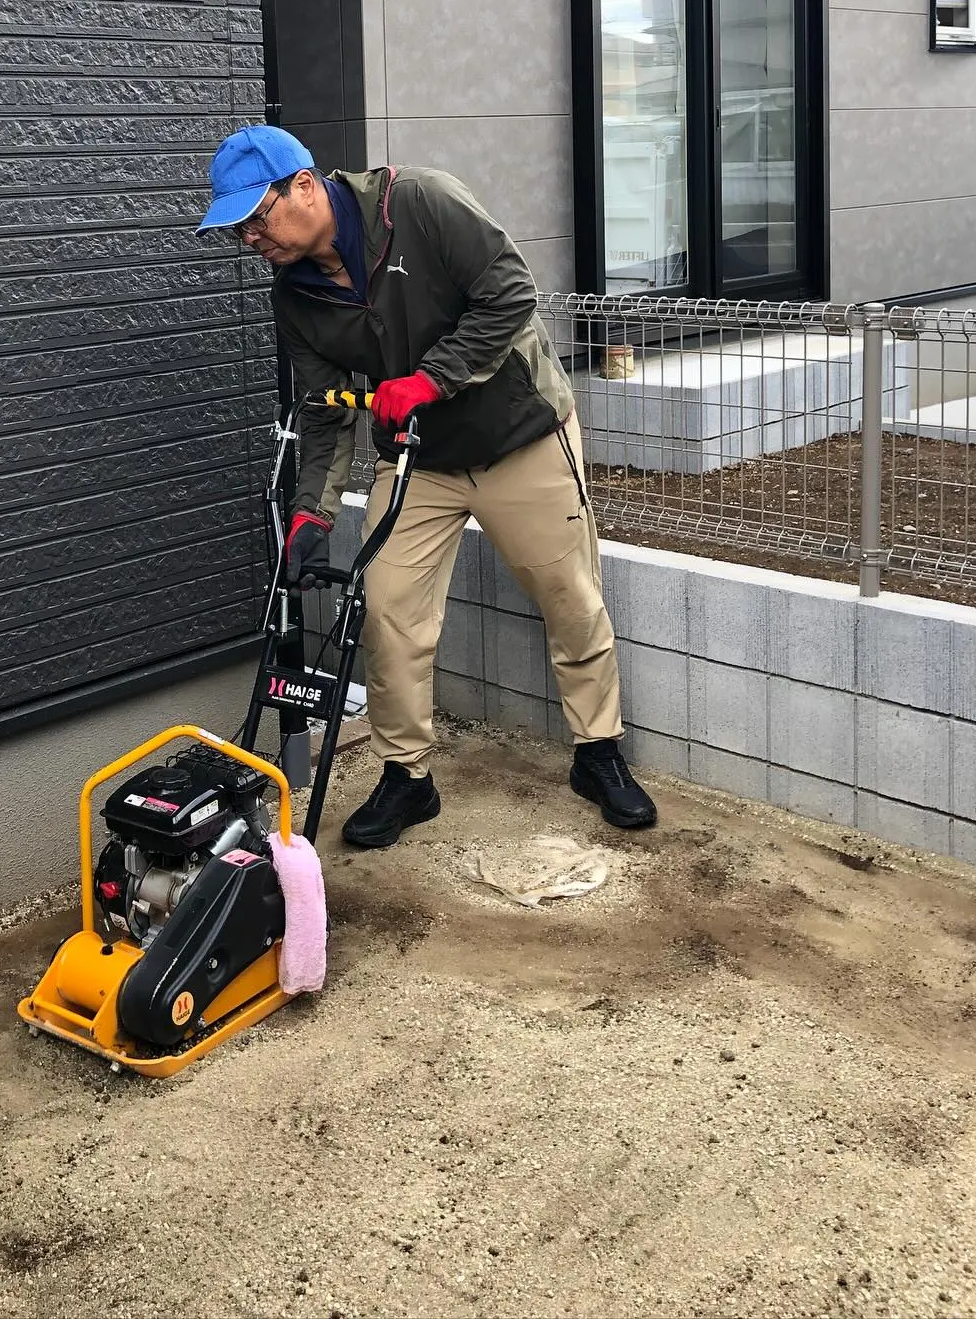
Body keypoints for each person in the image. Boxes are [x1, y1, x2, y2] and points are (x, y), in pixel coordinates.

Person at [197, 124, 657, 848]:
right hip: (418, 460)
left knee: (569, 593)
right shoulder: (295, 296)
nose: (252, 238)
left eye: (258, 217)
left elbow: (509, 296)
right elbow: (322, 414)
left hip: (520, 434)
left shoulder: (420, 204)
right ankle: (407, 777)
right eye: (239, 230)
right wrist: (310, 516)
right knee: (389, 610)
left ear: (306, 185)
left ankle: (597, 750)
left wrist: (428, 378)